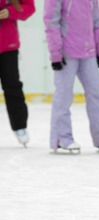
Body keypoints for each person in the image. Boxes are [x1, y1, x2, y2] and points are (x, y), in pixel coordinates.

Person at [43, 0, 99, 153]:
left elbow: (97, 21)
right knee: (63, 96)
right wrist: (56, 53)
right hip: (66, 53)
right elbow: (51, 22)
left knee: (97, 94)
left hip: (88, 52)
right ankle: (62, 138)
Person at [0, 0, 35, 147]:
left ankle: (20, 126)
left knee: (12, 86)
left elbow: (28, 7)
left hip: (7, 45)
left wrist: (10, 12)